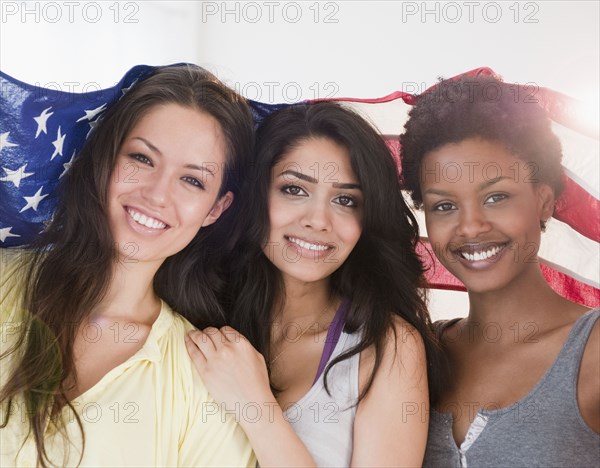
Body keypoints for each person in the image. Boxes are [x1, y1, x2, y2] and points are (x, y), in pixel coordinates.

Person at [0, 65, 256, 467]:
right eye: (142, 158)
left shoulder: (206, 378)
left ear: (217, 208)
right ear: (106, 158)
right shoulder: (4, 279)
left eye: (192, 181)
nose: (156, 194)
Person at [186, 102, 445, 467]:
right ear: (256, 195)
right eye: (294, 189)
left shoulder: (388, 348)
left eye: (345, 199)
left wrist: (256, 407)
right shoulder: (194, 315)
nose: (318, 220)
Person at [399, 75, 600, 467]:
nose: (471, 226)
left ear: (544, 201)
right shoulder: (417, 353)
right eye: (444, 206)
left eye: (496, 197)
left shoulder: (591, 351)